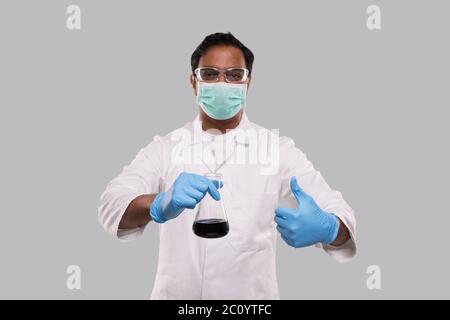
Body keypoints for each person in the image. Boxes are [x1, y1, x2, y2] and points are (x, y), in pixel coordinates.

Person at [98, 32, 357, 299]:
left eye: (234, 75)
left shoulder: (277, 150)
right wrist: (158, 203)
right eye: (209, 74)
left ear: (248, 83)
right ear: (193, 82)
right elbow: (112, 204)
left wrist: (329, 228)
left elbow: (340, 215)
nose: (222, 83)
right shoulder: (166, 148)